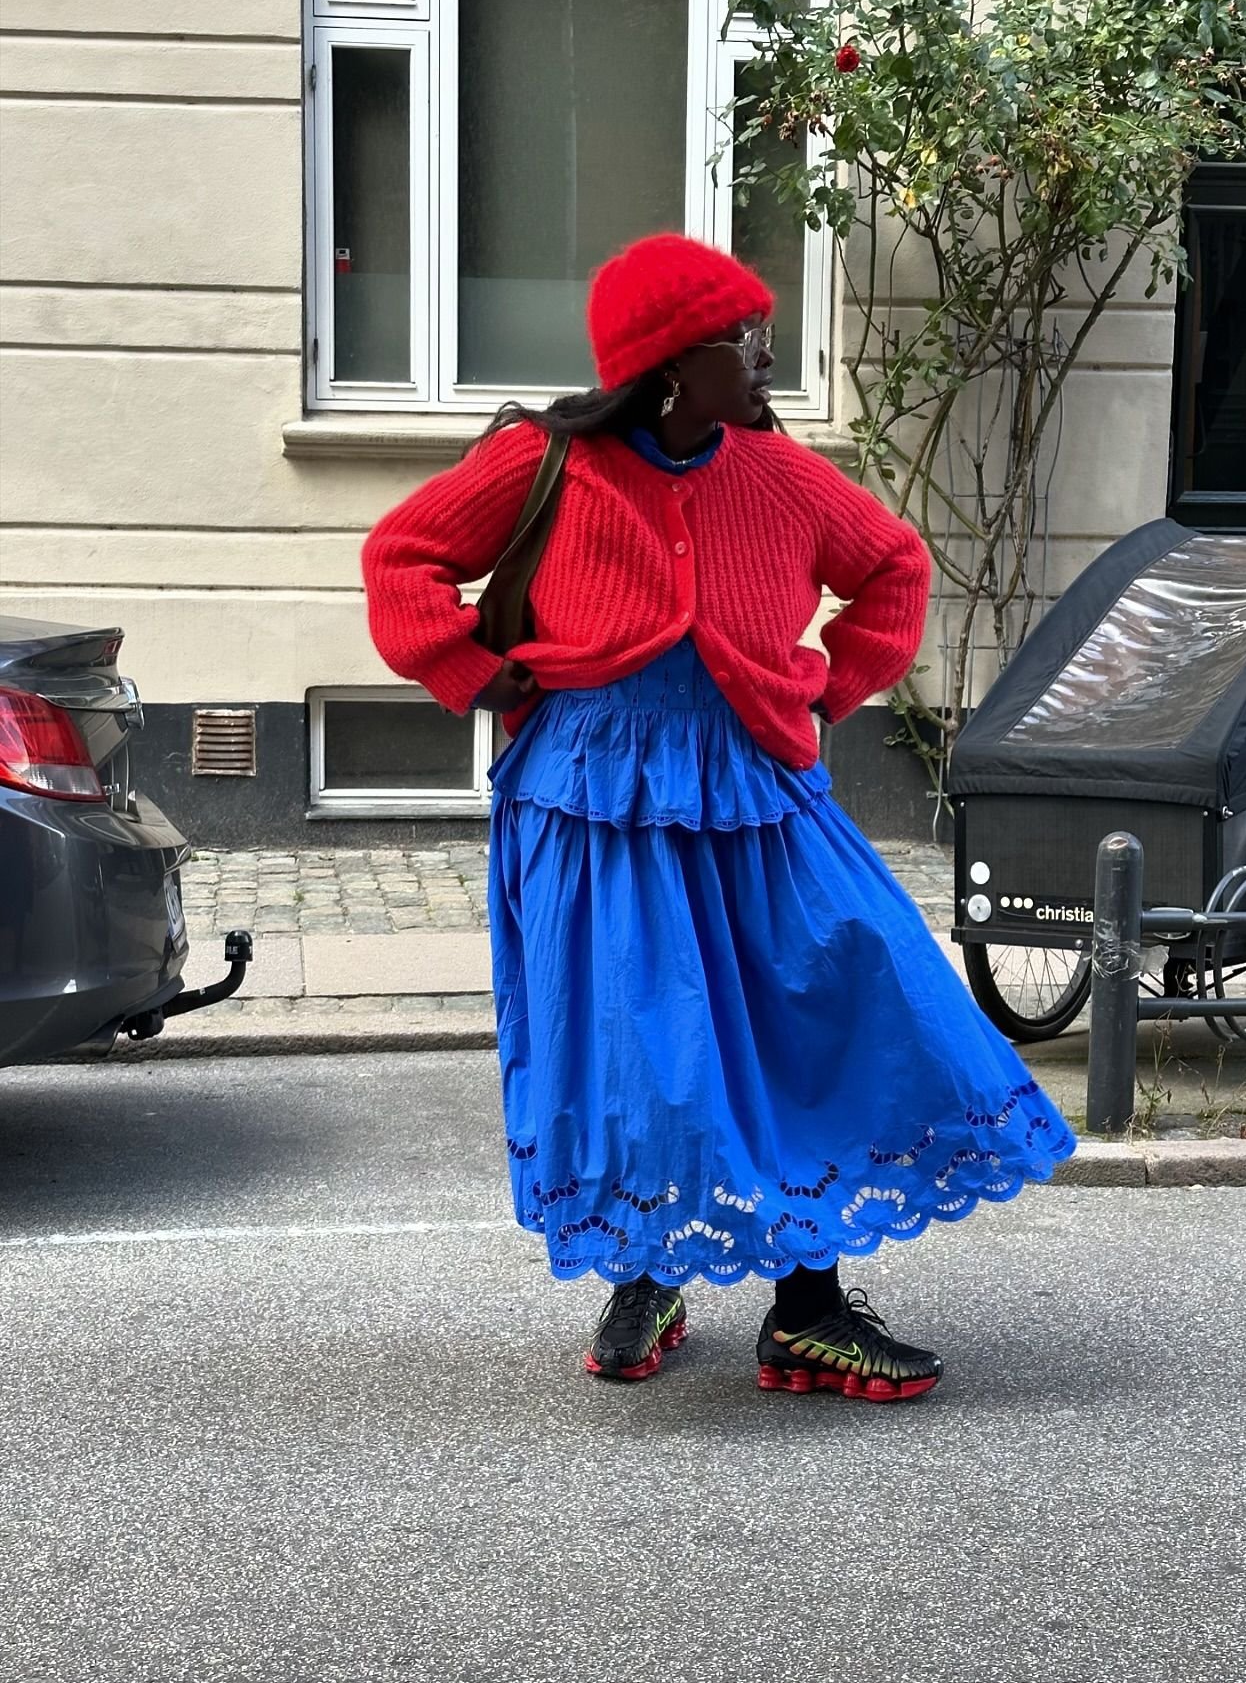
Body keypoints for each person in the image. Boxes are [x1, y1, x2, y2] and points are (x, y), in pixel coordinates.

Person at [362, 234, 1075, 1403]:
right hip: (592, 800)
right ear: (664, 366)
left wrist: (827, 686)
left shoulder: (780, 475)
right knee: (645, 1050)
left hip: (755, 788)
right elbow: (403, 558)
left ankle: (805, 1313)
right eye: (739, 338)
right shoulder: (543, 464)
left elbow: (893, 568)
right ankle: (652, 1268)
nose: (763, 355)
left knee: (836, 995)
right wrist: (476, 676)